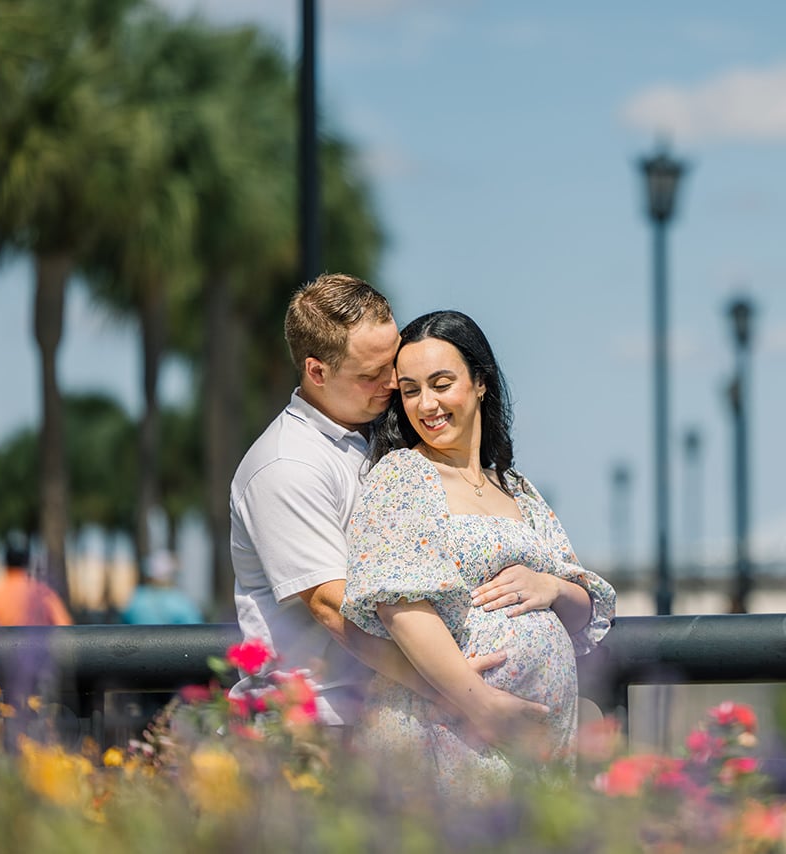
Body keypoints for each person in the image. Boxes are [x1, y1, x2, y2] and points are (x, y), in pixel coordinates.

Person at [231, 273, 546, 736]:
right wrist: (466, 698)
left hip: (386, 720)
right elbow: (331, 605)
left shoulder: (380, 438)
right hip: (315, 726)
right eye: (371, 374)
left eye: (392, 361)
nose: (395, 381)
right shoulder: (286, 465)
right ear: (317, 372)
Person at [341, 310, 616, 799]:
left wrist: (551, 587)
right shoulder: (402, 476)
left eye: (442, 384)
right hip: (448, 731)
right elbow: (401, 608)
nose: (427, 404)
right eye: (410, 390)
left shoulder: (517, 489)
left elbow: (584, 614)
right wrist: (483, 705)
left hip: (531, 750)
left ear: (481, 383)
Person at [0, 533, 72, 627]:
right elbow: (65, 625)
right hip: (35, 653)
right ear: (27, 562)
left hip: (0, 654)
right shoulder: (44, 595)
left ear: (5, 562)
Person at [121, 550, 203, 625]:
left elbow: (125, 621)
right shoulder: (179, 600)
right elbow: (195, 626)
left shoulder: (137, 597)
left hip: (138, 640)